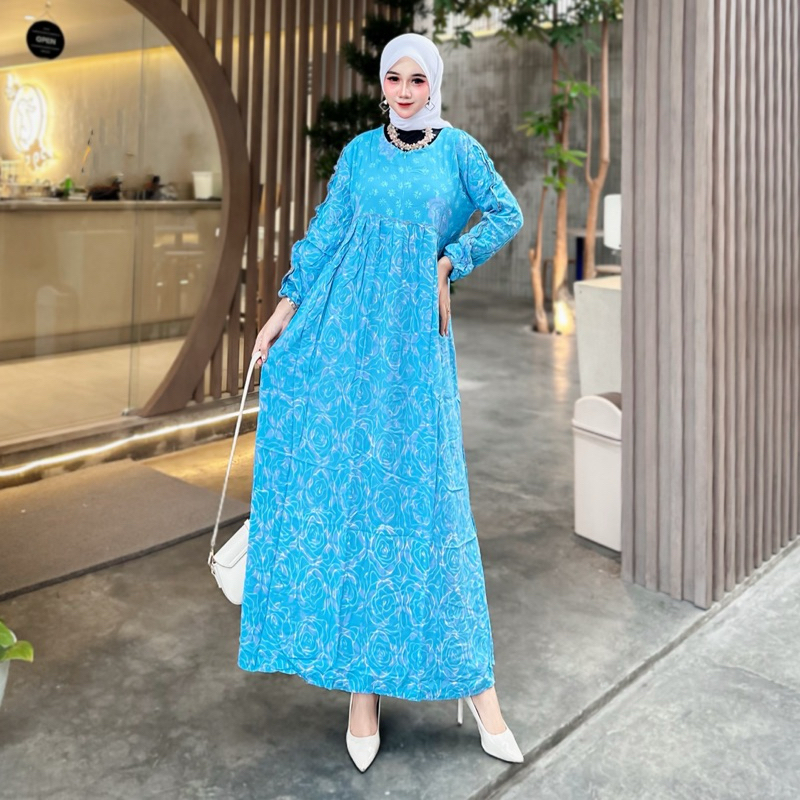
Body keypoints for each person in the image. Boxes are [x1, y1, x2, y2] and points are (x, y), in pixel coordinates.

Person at [239, 32, 524, 773]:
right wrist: (282, 312)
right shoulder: (361, 154)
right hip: (342, 341)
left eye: (416, 79)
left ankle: (479, 690)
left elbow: (505, 214)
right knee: (356, 500)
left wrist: (450, 261)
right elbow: (325, 235)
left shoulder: (458, 152)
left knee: (427, 503)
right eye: (392, 78)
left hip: (413, 346)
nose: (402, 90)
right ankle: (361, 695)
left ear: (434, 84)